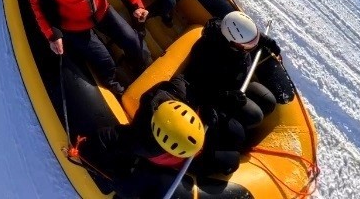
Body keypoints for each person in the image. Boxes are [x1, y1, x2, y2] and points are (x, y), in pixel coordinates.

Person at [74, 76, 246, 199]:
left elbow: (192, 82)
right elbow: (103, 140)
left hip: (191, 145)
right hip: (178, 161)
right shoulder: (141, 142)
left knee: (232, 159)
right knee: (226, 162)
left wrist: (210, 105)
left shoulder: (179, 92)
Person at [182, 11, 280, 130]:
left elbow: (251, 35)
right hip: (217, 97)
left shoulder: (231, 35)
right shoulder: (207, 53)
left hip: (236, 85)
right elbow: (200, 87)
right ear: (233, 43)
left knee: (268, 102)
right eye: (247, 45)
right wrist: (226, 97)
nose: (251, 47)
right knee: (254, 117)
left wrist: (269, 42)